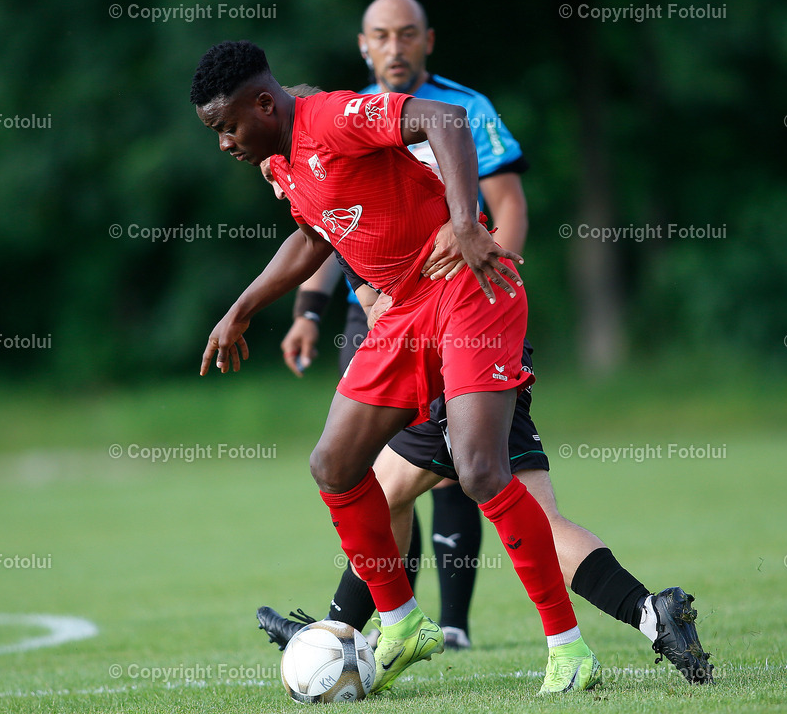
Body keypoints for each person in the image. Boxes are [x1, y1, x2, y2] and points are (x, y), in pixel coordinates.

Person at [192, 39, 601, 694]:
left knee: (479, 469)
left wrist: (466, 220)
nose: (224, 143)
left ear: (265, 103)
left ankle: (568, 647)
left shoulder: (330, 118)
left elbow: (444, 121)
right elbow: (310, 237)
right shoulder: (284, 162)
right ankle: (402, 620)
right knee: (333, 463)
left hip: (471, 288)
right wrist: (243, 307)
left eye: (228, 126)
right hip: (408, 312)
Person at [258, 147, 714, 686]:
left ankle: (346, 635)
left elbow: (387, 294)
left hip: (457, 350)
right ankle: (649, 613)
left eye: (273, 171)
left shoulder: (355, 174)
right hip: (481, 343)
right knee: (458, 505)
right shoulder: (343, 192)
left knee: (373, 489)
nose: (278, 188)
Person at [280, 0, 531, 648]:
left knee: (452, 464)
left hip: (455, 297)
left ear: (428, 41)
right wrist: (308, 311)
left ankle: (443, 624)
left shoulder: (465, 108)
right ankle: (371, 622)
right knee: (375, 466)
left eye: (407, 35)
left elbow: (506, 204)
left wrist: (490, 273)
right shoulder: (338, 115)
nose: (395, 48)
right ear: (364, 45)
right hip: (374, 313)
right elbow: (328, 230)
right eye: (381, 37)